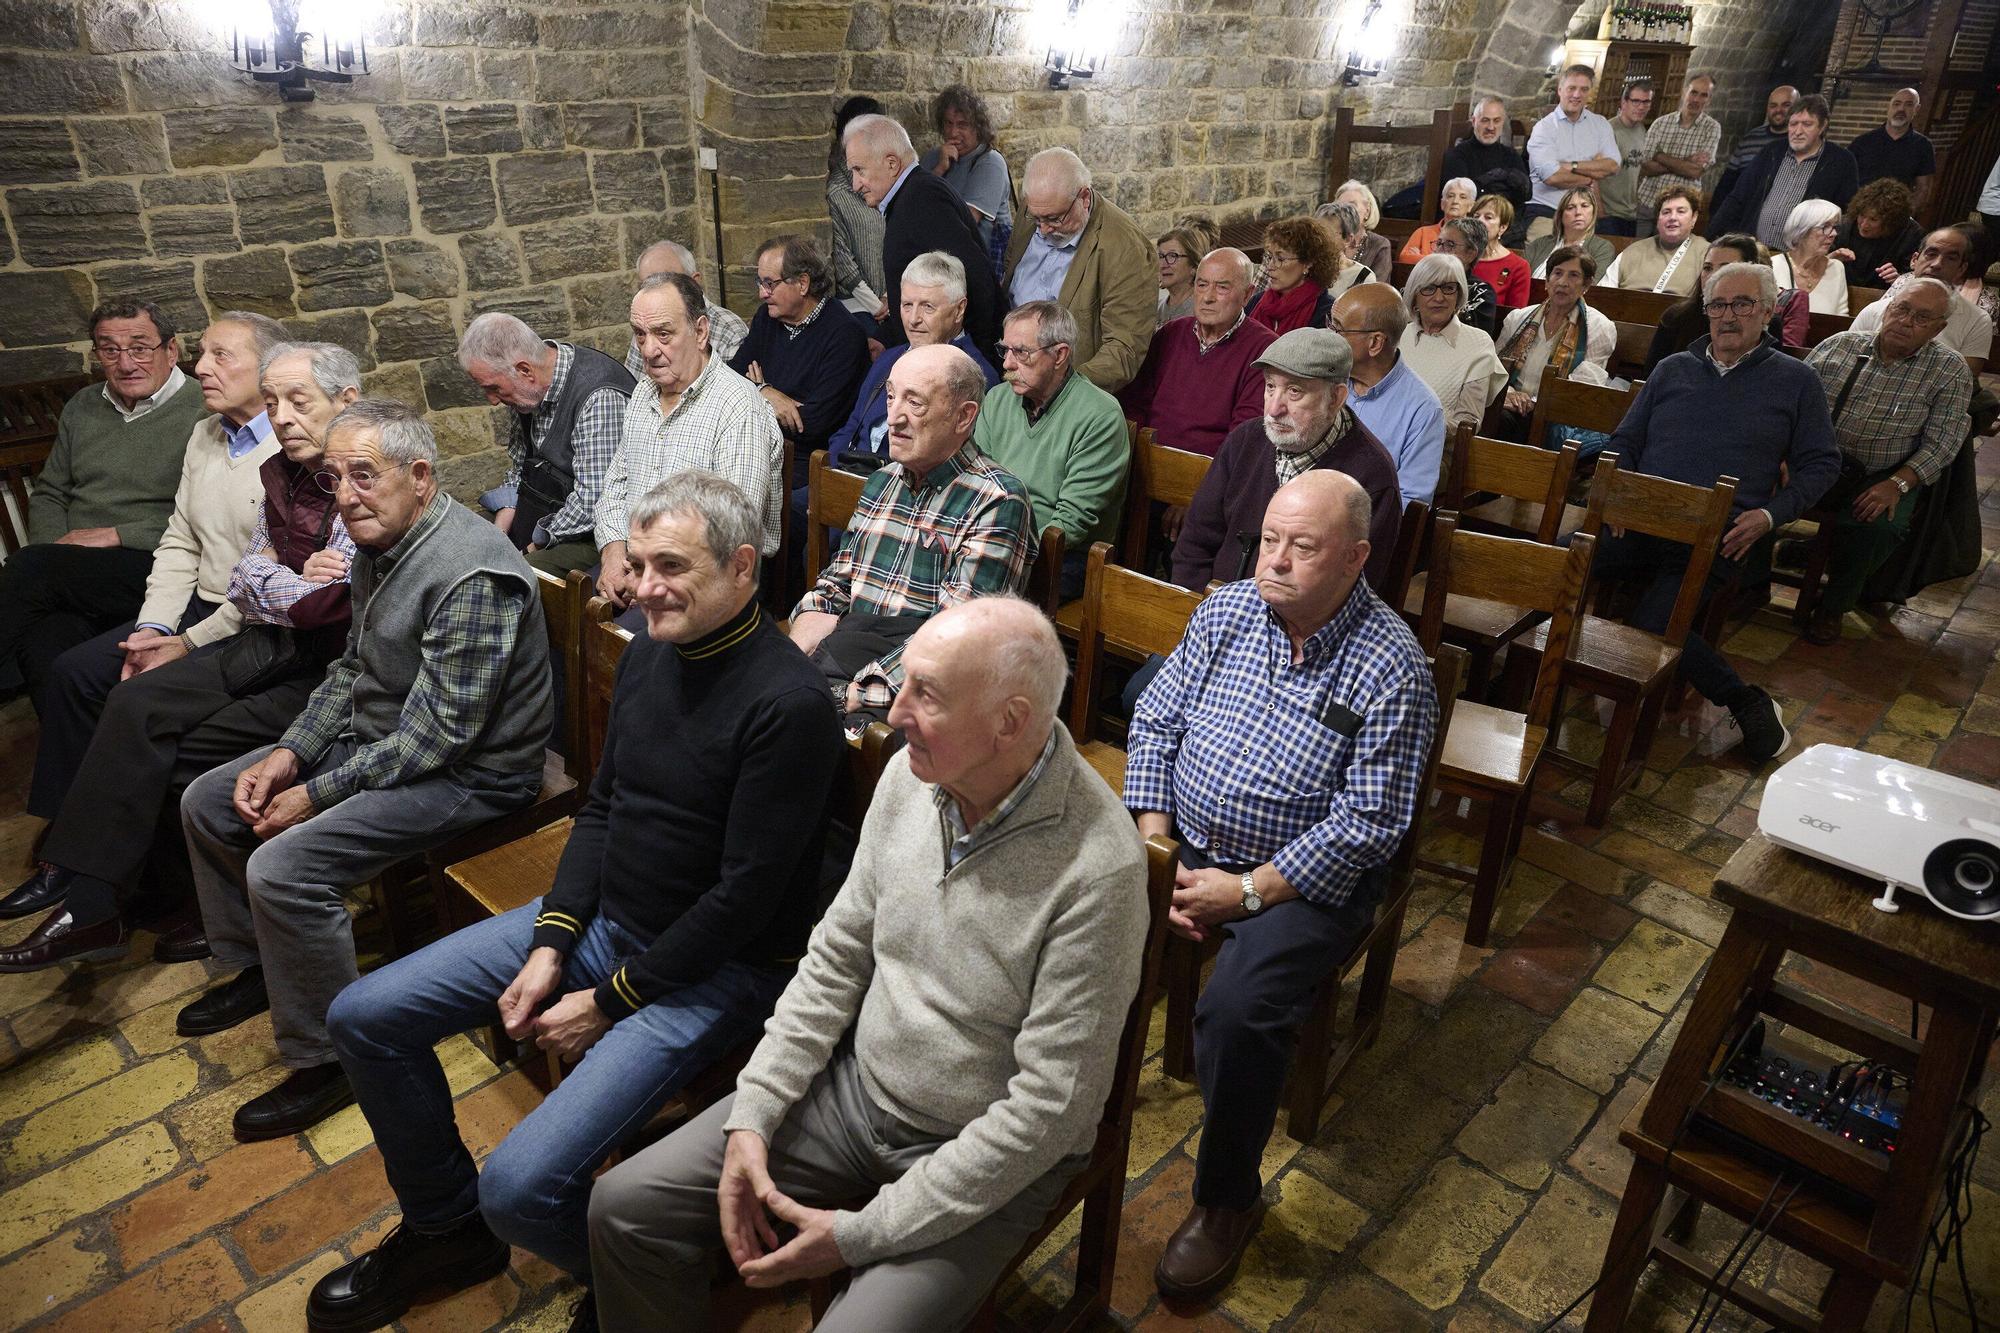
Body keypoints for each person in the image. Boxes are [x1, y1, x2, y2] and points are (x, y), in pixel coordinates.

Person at [307, 471, 845, 1331]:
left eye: (673, 566)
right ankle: (446, 1228)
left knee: (518, 1189)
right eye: (640, 563)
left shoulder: (789, 703)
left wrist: (607, 1001)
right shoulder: (653, 651)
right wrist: (553, 942)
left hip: (717, 970)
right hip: (609, 927)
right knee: (362, 1014)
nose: (645, 586)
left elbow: (744, 902)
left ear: (743, 566)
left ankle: (644, 1284)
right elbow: (602, 808)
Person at [586, 595, 1149, 1330]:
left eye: (927, 694)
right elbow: (836, 956)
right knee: (623, 1207)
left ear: (1009, 721)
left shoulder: (1099, 868)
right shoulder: (913, 776)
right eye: (903, 681)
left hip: (984, 1150)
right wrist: (757, 1108)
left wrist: (859, 1235)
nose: (896, 708)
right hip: (858, 1093)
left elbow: (1049, 1110)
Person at [176, 398, 555, 1140]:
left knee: (283, 867)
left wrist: (314, 794)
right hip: (387, 740)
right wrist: (290, 752)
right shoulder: (381, 544)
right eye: (333, 478)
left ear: (420, 476)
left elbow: (440, 737)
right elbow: (353, 669)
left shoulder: (470, 571)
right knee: (208, 800)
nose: (345, 496)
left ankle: (330, 1057)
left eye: (364, 475)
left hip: (473, 774)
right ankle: (266, 964)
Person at [1132, 470, 1437, 1302]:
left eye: (1303, 546)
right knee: (1075, 916)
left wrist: (1247, 893)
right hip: (1186, 841)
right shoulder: (1226, 613)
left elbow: (1369, 824)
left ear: (1356, 559)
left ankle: (1227, 1198)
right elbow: (1156, 718)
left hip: (1306, 877)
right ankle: (1060, 1114)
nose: (1275, 559)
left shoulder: (1392, 666)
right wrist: (1157, 846)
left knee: (1238, 1011)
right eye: (1269, 539)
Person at [1, 332, 370, 976]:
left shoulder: (360, 475)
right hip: (271, 641)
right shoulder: (283, 469)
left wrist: (279, 583)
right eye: (275, 403)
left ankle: (129, 899)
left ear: (345, 400)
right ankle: (95, 895)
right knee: (117, 690)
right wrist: (285, 579)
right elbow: (247, 579)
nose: (283, 418)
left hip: (321, 664)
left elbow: (323, 605)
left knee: (167, 741)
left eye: (298, 401)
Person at [13, 310, 285, 866]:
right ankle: (73, 827)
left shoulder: (283, 447)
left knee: (126, 694)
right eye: (109, 349)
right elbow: (181, 539)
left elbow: (264, 580)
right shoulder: (206, 432)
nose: (202, 368)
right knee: (61, 659)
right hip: (173, 592)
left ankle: (103, 856)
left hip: (227, 610)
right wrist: (151, 627)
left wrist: (182, 640)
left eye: (219, 356)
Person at [1595, 262, 1838, 763]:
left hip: (1717, 537)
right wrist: (1618, 491)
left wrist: (1769, 516)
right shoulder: (1673, 369)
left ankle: (1745, 702)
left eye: (1742, 304)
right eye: (1718, 305)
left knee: (1656, 623)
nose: (1728, 316)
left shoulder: (1796, 380)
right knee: (1554, 566)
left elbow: (1822, 464)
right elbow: (1624, 441)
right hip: (1637, 520)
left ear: (1767, 312)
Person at [788, 344, 1036, 732]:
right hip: (844, 660)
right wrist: (795, 654)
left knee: (803, 732)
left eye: (915, 402)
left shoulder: (998, 500)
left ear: (963, 416)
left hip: (924, 692)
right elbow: (836, 586)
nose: (893, 418)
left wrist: (856, 693)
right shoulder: (882, 481)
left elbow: (956, 641)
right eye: (890, 397)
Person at [0, 299, 208, 711]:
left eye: (140, 348)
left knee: (30, 568)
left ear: (170, 350)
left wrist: (118, 534)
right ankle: (83, 753)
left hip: (155, 562)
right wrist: (56, 551)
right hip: (74, 570)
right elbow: (51, 492)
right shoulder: (83, 405)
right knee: (47, 642)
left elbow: (206, 515)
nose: (125, 363)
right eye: (110, 350)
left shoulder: (204, 410)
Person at [596, 273, 786, 613]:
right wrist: (613, 552)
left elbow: (732, 531)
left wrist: (650, 572)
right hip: (638, 566)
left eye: (663, 334)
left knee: (616, 639)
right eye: (640, 334)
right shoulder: (643, 394)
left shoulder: (737, 405)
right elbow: (615, 487)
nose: (648, 350)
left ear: (700, 332)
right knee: (571, 617)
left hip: (707, 585)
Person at [1800, 279, 1971, 645]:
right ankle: (1750, 585)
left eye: (1921, 318)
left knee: (1879, 526)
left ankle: (1834, 605)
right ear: (1887, 307)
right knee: (1752, 486)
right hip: (1814, 459)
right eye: (1901, 309)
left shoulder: (1949, 370)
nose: (1905, 321)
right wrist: (1783, 455)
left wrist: (1898, 483)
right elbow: (1789, 408)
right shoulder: (1838, 346)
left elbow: (1944, 442)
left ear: (1938, 328)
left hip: (1882, 472)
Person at [1173, 329, 1403, 594]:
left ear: (1336, 398)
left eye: (1294, 391)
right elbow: (1193, 547)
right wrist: (1202, 610)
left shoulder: (1371, 477)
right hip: (1215, 609)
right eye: (1270, 387)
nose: (1274, 409)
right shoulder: (1244, 441)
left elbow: (1354, 592)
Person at [975, 302, 1130, 599]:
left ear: (1059, 355)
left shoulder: (1101, 416)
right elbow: (978, 483)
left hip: (1060, 557)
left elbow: (1070, 523)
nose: (1007, 363)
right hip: (993, 540)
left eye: (1021, 352)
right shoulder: (997, 399)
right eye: (1005, 350)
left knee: (977, 601)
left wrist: (1003, 549)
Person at [461, 312, 635, 577]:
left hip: (593, 530)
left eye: (494, 388)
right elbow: (520, 467)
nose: (492, 400)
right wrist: (501, 531)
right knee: (468, 540)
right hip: (546, 508)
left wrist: (530, 547)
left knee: (515, 577)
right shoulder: (525, 393)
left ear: (525, 371)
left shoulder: (598, 397)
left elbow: (592, 504)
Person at [844, 112, 1003, 362]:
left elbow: (976, 280)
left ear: (892, 163)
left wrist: (973, 363)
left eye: (859, 170)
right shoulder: (912, 196)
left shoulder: (922, 200)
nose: (855, 185)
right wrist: (885, 338)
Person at [825, 251, 1001, 474]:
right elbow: (851, 427)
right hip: (847, 476)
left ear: (959, 310)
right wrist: (833, 474)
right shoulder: (888, 358)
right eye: (907, 305)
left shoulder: (976, 376)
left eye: (927, 307)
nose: (913, 319)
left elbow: (958, 461)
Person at [729, 234, 871, 507]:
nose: (762, 293)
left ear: (803, 283)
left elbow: (812, 423)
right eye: (760, 283)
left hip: (808, 466)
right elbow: (731, 378)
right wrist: (765, 392)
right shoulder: (767, 318)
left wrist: (753, 395)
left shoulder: (844, 334)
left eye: (770, 284)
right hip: (758, 449)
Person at [1001, 147, 1157, 391]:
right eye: (1037, 218)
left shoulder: (1126, 249)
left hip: (1068, 392)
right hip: (1011, 370)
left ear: (1084, 198)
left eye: (1054, 219)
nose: (1043, 229)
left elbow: (1124, 350)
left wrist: (1061, 387)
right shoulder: (1037, 207)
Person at [1119, 248, 1278, 457]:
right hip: (1145, 460)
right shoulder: (1170, 333)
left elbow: (1243, 437)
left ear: (1247, 294)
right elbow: (1135, 405)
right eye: (1202, 285)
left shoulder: (1265, 349)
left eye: (1222, 287)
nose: (1208, 297)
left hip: (1210, 469)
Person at [1332, 284, 1448, 508]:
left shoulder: (1423, 409)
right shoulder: (1324, 378)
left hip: (1366, 524)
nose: (1328, 336)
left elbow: (1409, 501)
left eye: (1338, 329)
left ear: (1375, 343)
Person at [1496, 246, 1617, 438]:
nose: (1563, 282)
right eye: (1557, 273)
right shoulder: (1518, 318)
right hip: (1509, 406)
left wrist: (1534, 403)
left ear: (1586, 285)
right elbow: (1495, 367)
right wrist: (1509, 394)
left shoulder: (1599, 327)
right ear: (1547, 280)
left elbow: (1583, 389)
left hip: (1557, 417)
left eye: (1573, 275)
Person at [1711, 94, 1860, 250]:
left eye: (1807, 124)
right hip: (1756, 249)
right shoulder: (1771, 152)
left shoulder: (1841, 161)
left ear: (1822, 126)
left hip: (1801, 255)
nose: (1798, 131)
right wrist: (1712, 237)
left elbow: (1847, 214)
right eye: (1793, 124)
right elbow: (1738, 197)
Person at [1645, 235, 1810, 373]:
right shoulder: (1676, 317)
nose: (1713, 276)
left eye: (1726, 268)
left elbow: (1772, 375)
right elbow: (1651, 378)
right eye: (1707, 268)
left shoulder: (1767, 321)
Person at [1849, 226, 1996, 377]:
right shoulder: (1875, 310)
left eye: (1951, 258)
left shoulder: (1977, 320)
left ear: (1961, 269)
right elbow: (1846, 360)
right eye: (1931, 254)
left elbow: (1964, 381)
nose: (1937, 264)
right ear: (1914, 260)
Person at [1400, 254, 1507, 434]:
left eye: (1448, 288)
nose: (1439, 298)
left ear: (1459, 295)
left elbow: (1468, 422)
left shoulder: (1478, 343)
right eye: (1428, 288)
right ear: (1414, 296)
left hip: (1437, 445)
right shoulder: (1397, 335)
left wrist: (1414, 428)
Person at [1524, 66, 1620, 237]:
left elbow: (1612, 166)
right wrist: (1590, 177)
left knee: (1603, 247)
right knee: (1545, 253)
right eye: (1571, 88)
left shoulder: (1600, 124)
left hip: (1586, 215)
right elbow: (1552, 177)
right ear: (1560, 90)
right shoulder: (1544, 128)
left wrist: (1570, 166)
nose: (1577, 95)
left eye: (1584, 89)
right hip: (1547, 211)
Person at [920, 84, 1013, 257]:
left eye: (962, 125)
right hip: (936, 255)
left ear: (978, 127)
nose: (953, 132)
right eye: (948, 123)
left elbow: (964, 223)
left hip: (976, 260)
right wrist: (939, 169)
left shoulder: (990, 163)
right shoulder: (934, 157)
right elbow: (913, 203)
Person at [623, 240, 748, 370]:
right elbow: (633, 380)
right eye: (648, 287)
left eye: (666, 285)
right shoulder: (645, 325)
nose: (649, 351)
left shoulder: (730, 332)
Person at [827, 97, 889, 326]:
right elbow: (842, 260)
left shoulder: (888, 181)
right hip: (859, 307)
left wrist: (891, 296)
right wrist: (877, 307)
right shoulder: (837, 192)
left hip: (895, 299)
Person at [1638, 74, 1721, 237]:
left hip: (1679, 212)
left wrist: (1659, 155)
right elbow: (1645, 168)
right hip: (1648, 202)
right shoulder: (1660, 123)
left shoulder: (1711, 128)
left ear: (1709, 100)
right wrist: (1686, 161)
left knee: (1666, 253)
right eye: (1693, 92)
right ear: (1684, 92)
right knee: (1634, 249)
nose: (1696, 99)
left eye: (1703, 95)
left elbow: (1695, 171)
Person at [1601, 187, 1710, 295]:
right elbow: (1603, 294)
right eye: (1666, 212)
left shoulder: (1707, 253)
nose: (1672, 217)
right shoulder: (1632, 251)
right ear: (1658, 219)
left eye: (1681, 211)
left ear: (1694, 217)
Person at [1441, 97, 1531, 223]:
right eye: (1485, 120)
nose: (1491, 127)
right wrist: (1500, 180)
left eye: (1496, 121)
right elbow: (1460, 199)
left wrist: (1488, 182)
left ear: (1502, 122)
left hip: (1508, 223)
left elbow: (1526, 193)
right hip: (1471, 224)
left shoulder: (1511, 155)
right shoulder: (1458, 155)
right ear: (1474, 121)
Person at [1247, 215, 1339, 334]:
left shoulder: (1327, 311)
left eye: (1280, 259)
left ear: (1307, 263)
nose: (1270, 266)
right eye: (1269, 257)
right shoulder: (1256, 301)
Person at [1831, 179, 1925, 291]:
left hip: (1885, 296)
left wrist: (1899, 280)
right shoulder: (1844, 225)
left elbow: (1917, 280)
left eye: (1873, 219)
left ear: (1890, 222)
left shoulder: (1911, 235)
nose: (1864, 225)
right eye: (1862, 215)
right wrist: (1831, 259)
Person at [1851, 88, 1936, 210]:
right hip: (1859, 211)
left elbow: (1923, 189)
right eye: (1896, 104)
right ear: (1889, 107)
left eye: (1908, 105)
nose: (1901, 109)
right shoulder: (1863, 142)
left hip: (1896, 214)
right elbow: (1845, 178)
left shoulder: (1923, 146)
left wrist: (1905, 214)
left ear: (1916, 109)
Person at [1714, 85, 1796, 212]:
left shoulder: (1798, 142)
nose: (1778, 110)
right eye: (1773, 105)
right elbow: (1728, 181)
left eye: (1786, 105)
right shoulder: (1751, 138)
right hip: (1743, 211)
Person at [1769, 199, 1850, 315]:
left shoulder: (1836, 268)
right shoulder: (1772, 266)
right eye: (1825, 227)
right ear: (1802, 230)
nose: (1833, 234)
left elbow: (1841, 318)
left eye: (1834, 227)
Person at [1598, 79, 1657, 236]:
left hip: (1630, 213)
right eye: (1635, 101)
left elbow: (1638, 169)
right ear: (1624, 103)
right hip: (1609, 214)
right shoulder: (1609, 130)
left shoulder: (1641, 130)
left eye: (1646, 102)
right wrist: (1600, 213)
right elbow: (1592, 176)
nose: (1641, 107)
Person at [1525, 187, 1615, 279]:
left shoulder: (1602, 248)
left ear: (1593, 212)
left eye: (1584, 206)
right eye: (1570, 208)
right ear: (1561, 215)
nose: (1578, 212)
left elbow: (1592, 283)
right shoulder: (1539, 244)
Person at [1463, 200, 1530, 312]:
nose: (1479, 221)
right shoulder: (1459, 256)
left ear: (1502, 227)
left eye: (1488, 217)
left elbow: (1515, 314)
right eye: (1476, 216)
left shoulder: (1518, 266)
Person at [1397, 178, 1477, 263]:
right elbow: (1404, 258)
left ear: (1471, 206)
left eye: (1462, 197)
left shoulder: (1474, 236)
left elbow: (1468, 265)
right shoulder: (1423, 232)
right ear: (1442, 204)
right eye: (1450, 196)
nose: (1455, 201)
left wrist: (1423, 258)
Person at [1333, 180, 1394, 281]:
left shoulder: (1380, 245)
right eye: (1340, 206)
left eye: (1352, 206)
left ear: (1367, 211)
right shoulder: (1329, 241)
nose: (1345, 211)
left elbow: (1377, 285)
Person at [1318, 202, 1378, 299]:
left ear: (1347, 239)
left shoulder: (1362, 277)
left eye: (1327, 233)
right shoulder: (1304, 267)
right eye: (1317, 232)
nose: (1319, 239)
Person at [1156, 224, 1206, 325]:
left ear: (1193, 266)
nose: (1163, 265)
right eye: (1161, 256)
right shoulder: (1155, 309)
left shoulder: (1204, 311)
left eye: (1172, 256)